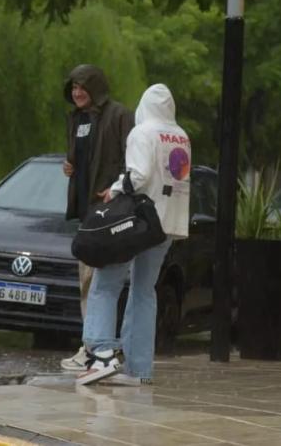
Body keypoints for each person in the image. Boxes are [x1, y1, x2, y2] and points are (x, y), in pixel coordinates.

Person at [76, 83, 191, 386]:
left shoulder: (143, 132)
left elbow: (137, 176)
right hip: (166, 225)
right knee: (144, 292)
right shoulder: (180, 135)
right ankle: (139, 369)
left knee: (105, 283)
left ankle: (100, 354)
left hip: (137, 223)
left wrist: (113, 189)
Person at [60, 64, 134, 372]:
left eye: (82, 86)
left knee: (100, 281)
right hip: (86, 214)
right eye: (73, 87)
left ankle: (95, 347)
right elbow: (81, 156)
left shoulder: (119, 116)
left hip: (109, 213)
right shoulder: (76, 119)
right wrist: (70, 167)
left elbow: (133, 159)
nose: (77, 92)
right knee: (87, 280)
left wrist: (117, 188)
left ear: (96, 87)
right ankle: (91, 346)